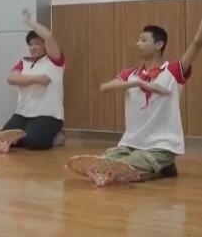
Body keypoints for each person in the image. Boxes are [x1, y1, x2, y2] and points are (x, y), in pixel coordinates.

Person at [86, 18, 202, 185]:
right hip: (131, 144)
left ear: (159, 44)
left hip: (161, 145)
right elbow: (104, 88)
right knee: (100, 164)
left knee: (119, 170)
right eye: (138, 39)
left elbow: (197, 43)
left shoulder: (173, 71)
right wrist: (138, 83)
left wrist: (198, 37)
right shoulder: (131, 74)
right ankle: (162, 168)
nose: (137, 43)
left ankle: (160, 165)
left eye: (143, 40)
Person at [0, 9, 66, 152]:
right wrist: (35, 79)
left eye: (37, 44)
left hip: (49, 116)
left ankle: (56, 136)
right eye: (31, 44)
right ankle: (23, 139)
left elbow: (48, 36)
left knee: (33, 141)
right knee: (4, 137)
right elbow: (12, 79)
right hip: (22, 114)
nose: (33, 47)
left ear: (45, 46)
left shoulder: (55, 60)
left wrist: (29, 22)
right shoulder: (23, 62)